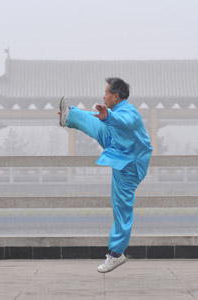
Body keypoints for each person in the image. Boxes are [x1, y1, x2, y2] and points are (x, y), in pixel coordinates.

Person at [58, 77, 153, 273]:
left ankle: (116, 255)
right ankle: (69, 115)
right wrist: (106, 117)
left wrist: (108, 117)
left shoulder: (129, 112)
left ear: (115, 96)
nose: (104, 95)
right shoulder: (116, 111)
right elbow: (112, 120)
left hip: (130, 165)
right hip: (117, 147)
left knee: (121, 207)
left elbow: (124, 121)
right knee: (95, 121)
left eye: (106, 92)